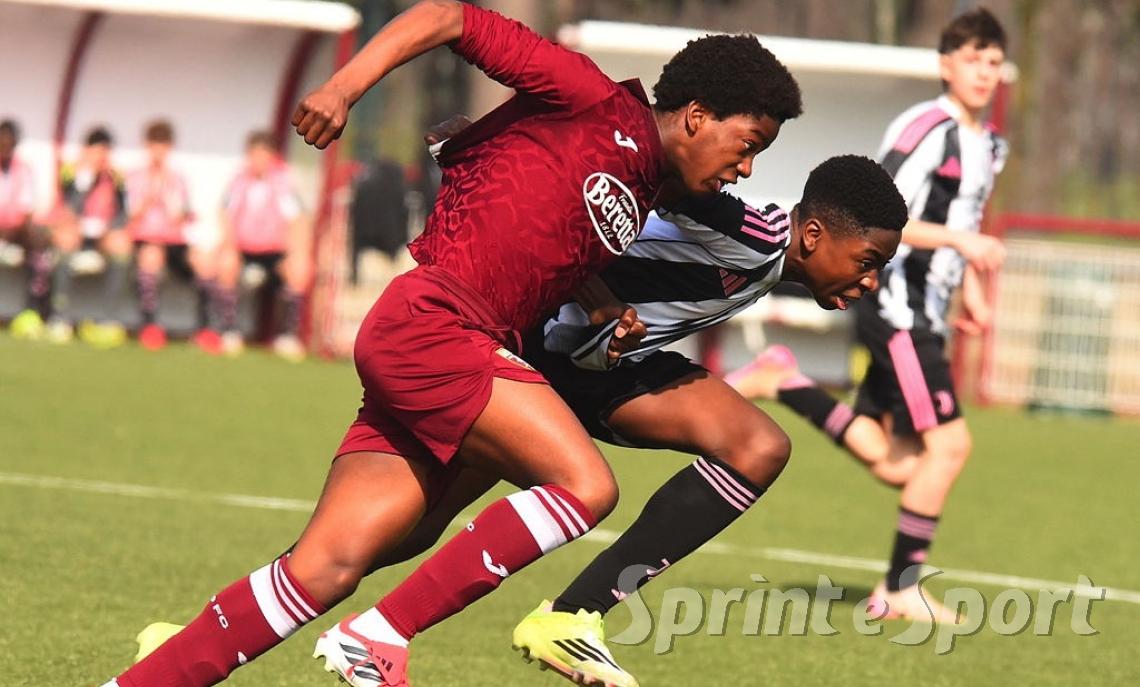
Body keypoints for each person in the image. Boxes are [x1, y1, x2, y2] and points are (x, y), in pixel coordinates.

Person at [100, 2, 800, 687]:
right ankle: (378, 635)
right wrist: (343, 87)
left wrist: (601, 303)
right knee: (584, 486)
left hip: (441, 338)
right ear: (697, 115)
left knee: (327, 567)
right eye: (748, 145)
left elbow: (542, 230)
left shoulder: (647, 182)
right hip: (438, 325)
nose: (745, 169)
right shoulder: (589, 97)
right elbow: (448, 15)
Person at [333, 148, 905, 686]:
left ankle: (571, 617)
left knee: (757, 445)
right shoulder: (752, 234)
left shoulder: (769, 260)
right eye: (868, 261)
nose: (871, 280)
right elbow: (639, 175)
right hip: (534, 349)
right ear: (813, 235)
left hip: (595, 369)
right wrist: (490, 155)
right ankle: (320, 601)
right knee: (403, 529)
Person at [729, 7, 1009, 624]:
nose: (984, 72)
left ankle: (783, 380)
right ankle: (902, 588)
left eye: (993, 62)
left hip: (928, 310)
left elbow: (962, 222)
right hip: (897, 306)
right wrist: (962, 246)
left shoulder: (991, 145)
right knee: (950, 446)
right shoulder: (926, 128)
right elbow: (885, 218)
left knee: (896, 460)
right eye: (973, 59)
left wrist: (969, 287)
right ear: (946, 64)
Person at [127, 119, 222, 352]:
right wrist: (150, 194)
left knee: (205, 262)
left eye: (163, 145)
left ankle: (206, 328)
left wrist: (169, 196)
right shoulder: (134, 176)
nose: (158, 152)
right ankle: (149, 325)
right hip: (144, 240)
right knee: (151, 256)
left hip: (174, 241)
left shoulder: (178, 179)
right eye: (154, 145)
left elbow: (183, 216)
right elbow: (130, 214)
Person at [215, 131, 310, 360]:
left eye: (263, 155)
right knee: (226, 264)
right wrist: (229, 245)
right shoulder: (238, 182)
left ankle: (287, 336)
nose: (258, 160)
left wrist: (297, 251)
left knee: (298, 269)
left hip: (274, 251)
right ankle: (229, 331)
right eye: (254, 155)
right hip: (244, 249)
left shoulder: (283, 184)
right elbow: (224, 214)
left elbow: (297, 219)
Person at [49, 126, 131, 346]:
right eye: (97, 151)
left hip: (102, 236)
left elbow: (123, 215)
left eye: (105, 151)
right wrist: (85, 181)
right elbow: (68, 210)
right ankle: (59, 316)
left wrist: (108, 228)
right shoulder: (70, 172)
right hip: (74, 234)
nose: (101, 157)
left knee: (121, 244)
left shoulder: (116, 177)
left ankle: (109, 319)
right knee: (65, 238)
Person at [0, 119, 53, 338]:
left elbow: (26, 208)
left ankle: (34, 309)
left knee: (39, 239)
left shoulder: (23, 170)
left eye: (9, 144)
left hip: (15, 230)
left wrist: (9, 231)